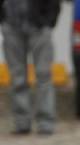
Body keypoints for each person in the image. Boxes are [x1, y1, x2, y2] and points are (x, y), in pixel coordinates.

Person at [0, 0, 60, 134]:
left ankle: (46, 123)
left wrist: (48, 22)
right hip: (11, 26)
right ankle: (21, 123)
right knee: (17, 78)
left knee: (44, 76)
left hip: (39, 26)